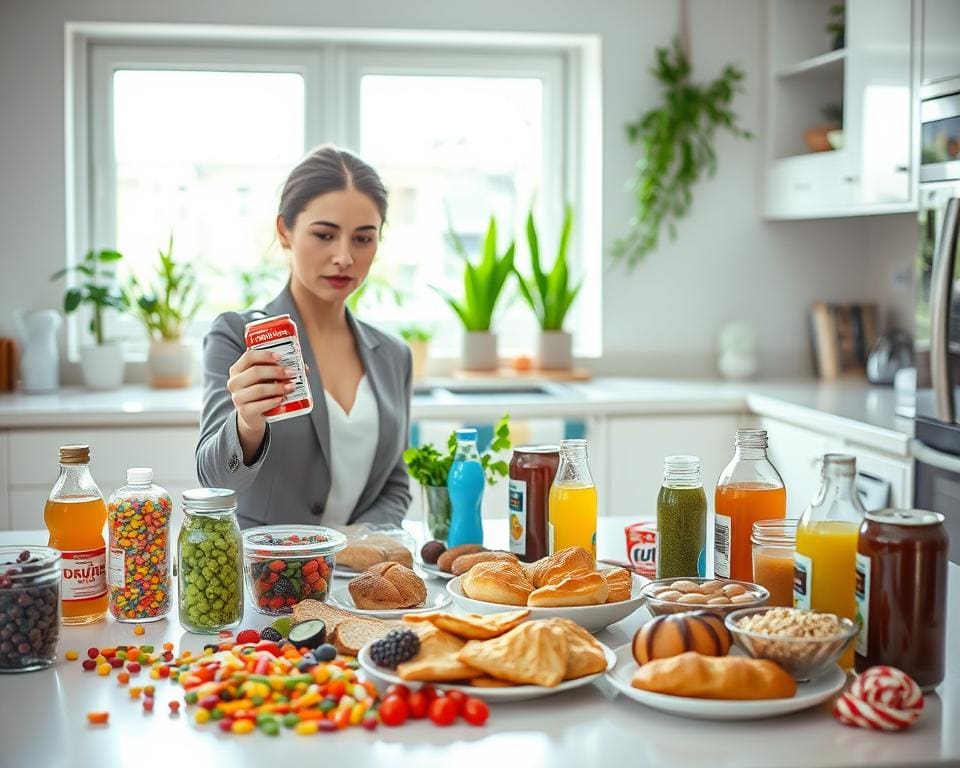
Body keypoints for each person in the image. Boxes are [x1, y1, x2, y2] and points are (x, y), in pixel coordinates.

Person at [196, 146, 412, 529]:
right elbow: (216, 482)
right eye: (325, 235)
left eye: (363, 239)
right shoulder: (236, 337)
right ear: (285, 231)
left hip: (352, 581)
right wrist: (248, 423)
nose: (344, 257)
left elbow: (394, 485)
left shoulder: (393, 355)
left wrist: (353, 549)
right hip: (261, 578)